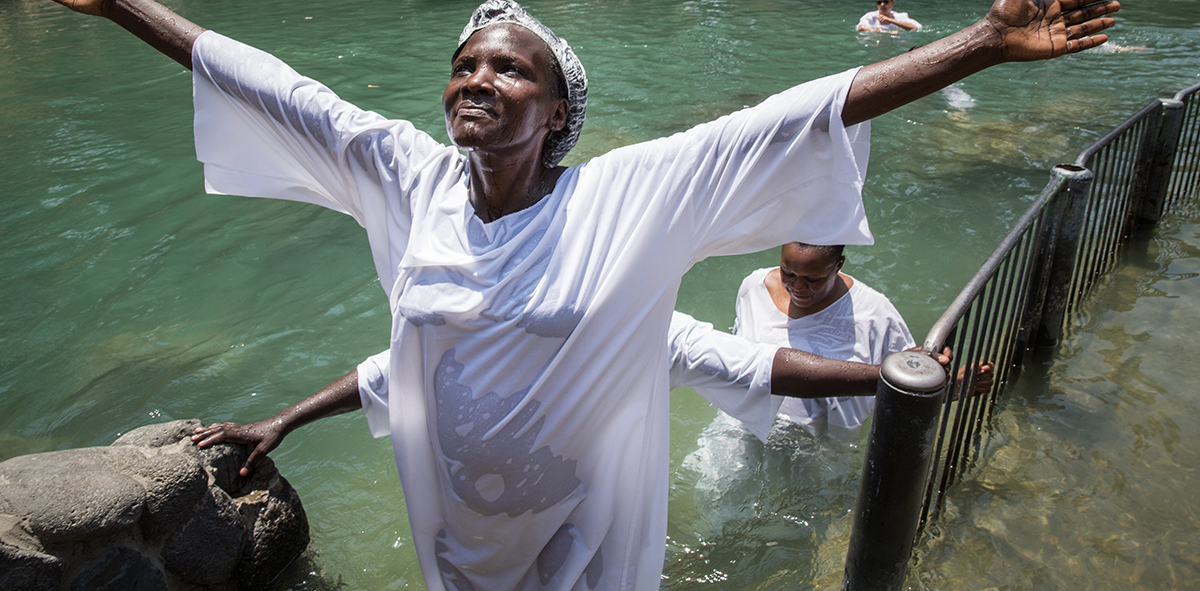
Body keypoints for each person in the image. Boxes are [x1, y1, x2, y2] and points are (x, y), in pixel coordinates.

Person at [41, 0, 1117, 591]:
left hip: (585, 537)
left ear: (558, 110)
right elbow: (274, 88)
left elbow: (794, 115)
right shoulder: (406, 177)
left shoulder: (627, 196)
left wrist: (983, 43)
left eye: (509, 69)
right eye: (464, 63)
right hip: (456, 529)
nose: (476, 76)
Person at [191, 311, 985, 474]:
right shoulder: (492, 315)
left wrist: (893, 379)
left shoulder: (643, 324)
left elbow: (762, 366)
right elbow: (386, 372)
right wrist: (282, 419)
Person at [735, 242, 990, 437]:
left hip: (819, 446)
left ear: (838, 265)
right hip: (742, 427)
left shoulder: (873, 312)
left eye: (813, 279)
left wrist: (948, 387)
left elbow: (904, 383)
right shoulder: (753, 288)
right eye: (787, 273)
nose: (798, 287)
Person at [857, 0, 922, 32]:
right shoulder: (871, 16)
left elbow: (915, 28)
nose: (882, 5)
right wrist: (887, 32)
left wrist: (890, 20)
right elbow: (861, 28)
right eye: (879, 2)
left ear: (892, 2)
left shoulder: (900, 16)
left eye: (885, 2)